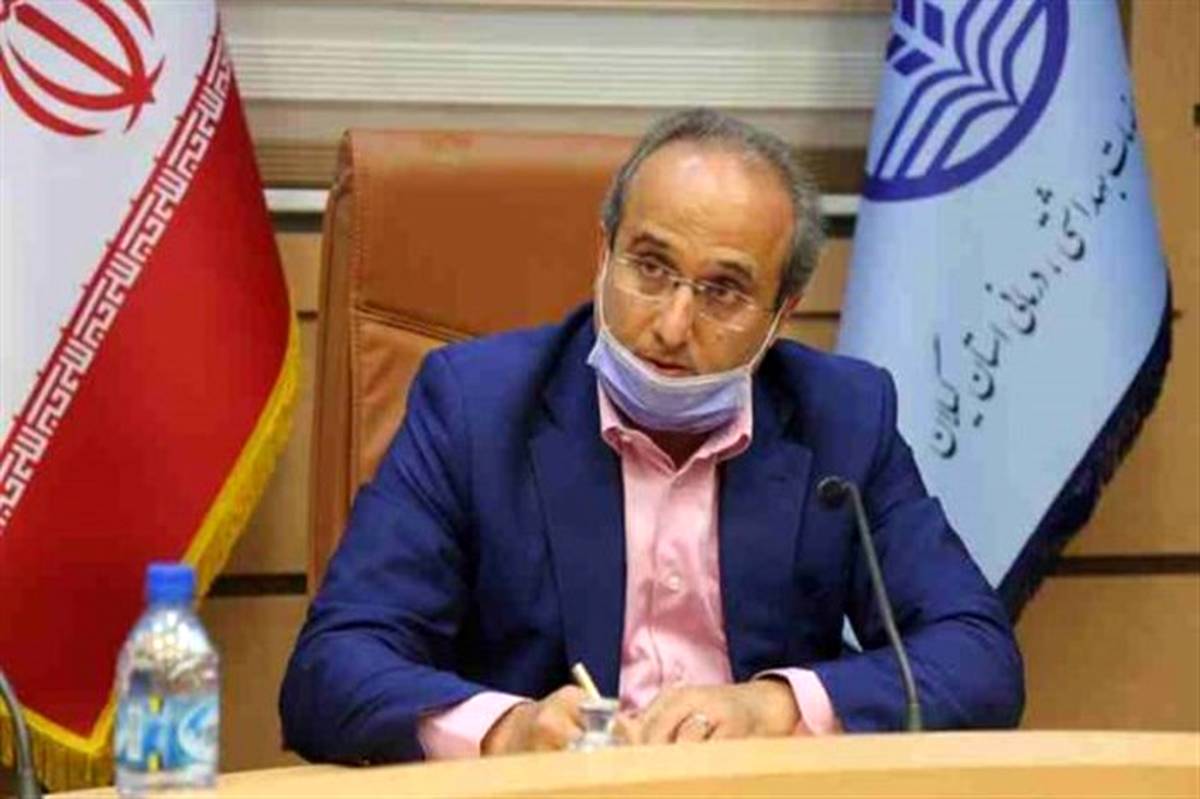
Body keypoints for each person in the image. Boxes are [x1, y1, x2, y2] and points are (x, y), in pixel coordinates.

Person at [279, 108, 1024, 764]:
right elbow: (330, 669)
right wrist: (508, 730)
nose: (671, 324)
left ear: (783, 313)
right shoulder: (476, 408)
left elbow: (979, 657)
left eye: (723, 291)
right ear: (604, 253)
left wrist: (774, 707)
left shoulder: (843, 417)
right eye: (650, 267)